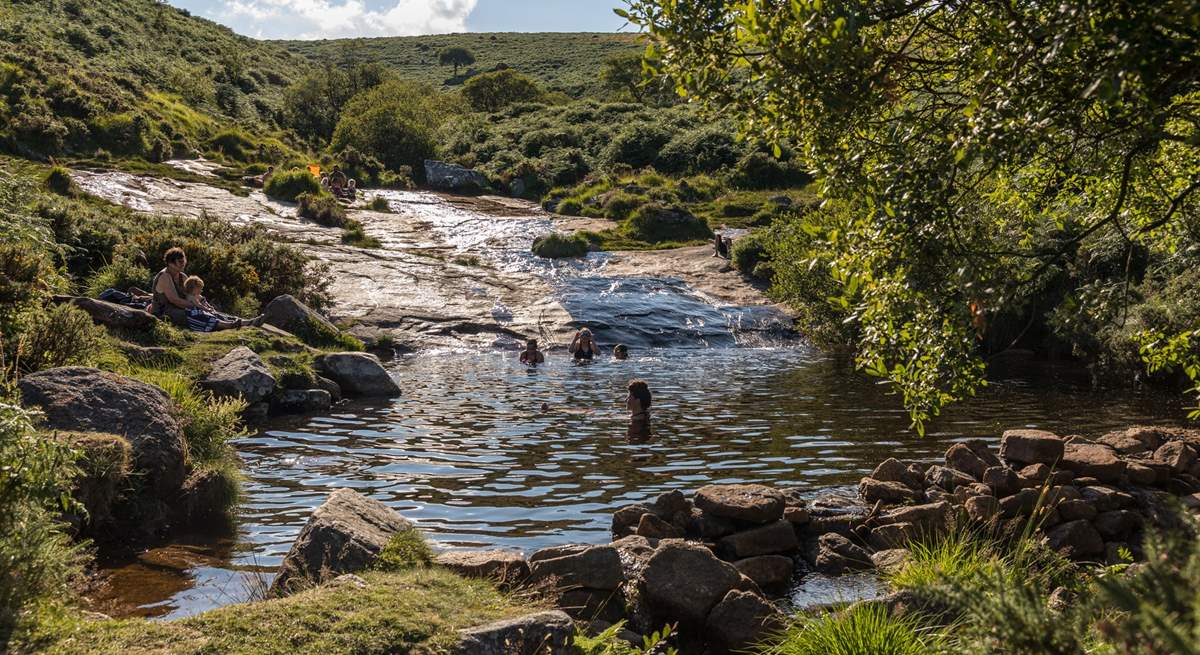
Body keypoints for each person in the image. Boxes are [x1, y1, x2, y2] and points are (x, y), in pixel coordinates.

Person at [183, 276, 262, 332]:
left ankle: (244, 322)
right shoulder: (191, 297)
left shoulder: (195, 295)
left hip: (200, 311)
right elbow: (199, 305)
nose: (200, 291)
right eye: (199, 289)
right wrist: (207, 309)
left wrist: (209, 306)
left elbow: (203, 301)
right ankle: (228, 325)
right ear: (193, 288)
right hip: (195, 314)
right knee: (210, 317)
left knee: (216, 314)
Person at [149, 247, 192, 327]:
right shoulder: (164, 276)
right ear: (170, 263)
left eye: (184, 261)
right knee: (192, 315)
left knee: (207, 312)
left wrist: (203, 303)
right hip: (162, 312)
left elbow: (191, 294)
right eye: (180, 262)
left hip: (177, 310)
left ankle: (221, 322)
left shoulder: (182, 276)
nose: (183, 264)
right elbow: (175, 300)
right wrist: (195, 306)